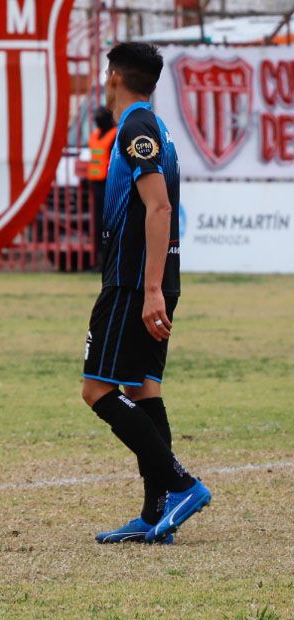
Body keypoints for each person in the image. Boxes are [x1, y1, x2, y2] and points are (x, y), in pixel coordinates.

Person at [82, 42, 211, 545]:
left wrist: (150, 289)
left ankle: (180, 483)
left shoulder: (136, 127)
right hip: (150, 279)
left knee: (97, 390)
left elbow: (159, 209)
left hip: (134, 281)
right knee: (142, 388)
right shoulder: (154, 129)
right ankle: (157, 512)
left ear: (114, 75)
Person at [87, 106, 116, 266]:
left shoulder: (115, 135)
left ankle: (109, 260)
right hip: (96, 185)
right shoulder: (95, 136)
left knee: (110, 224)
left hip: (109, 185)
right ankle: (100, 261)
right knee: (98, 225)